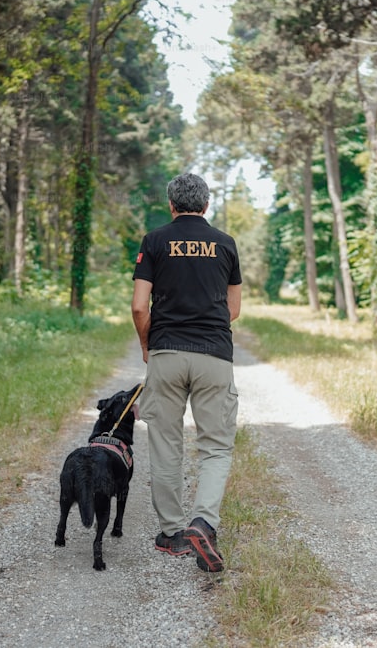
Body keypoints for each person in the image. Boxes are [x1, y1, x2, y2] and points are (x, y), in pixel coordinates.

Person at [131, 172, 241, 573]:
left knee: (165, 442)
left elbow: (140, 306)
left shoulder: (155, 241)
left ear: (171, 205)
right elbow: (233, 310)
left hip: (167, 352)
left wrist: (147, 344)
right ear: (206, 205)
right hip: (214, 354)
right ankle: (204, 522)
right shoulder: (226, 244)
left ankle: (174, 533)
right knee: (215, 446)